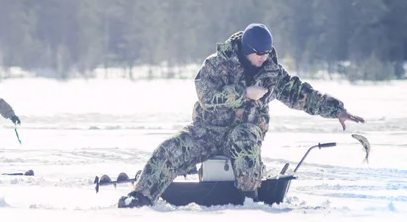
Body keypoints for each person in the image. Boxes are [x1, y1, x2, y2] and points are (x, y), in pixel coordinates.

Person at [118, 23, 365, 208]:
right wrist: (244, 93)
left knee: (243, 138)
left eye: (267, 53)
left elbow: (302, 94)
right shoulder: (216, 64)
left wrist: (336, 109)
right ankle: (139, 196)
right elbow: (206, 96)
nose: (263, 57)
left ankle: (248, 199)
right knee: (169, 149)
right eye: (259, 53)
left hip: (246, 129)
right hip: (207, 130)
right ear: (246, 49)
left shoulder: (272, 73)